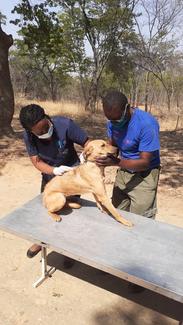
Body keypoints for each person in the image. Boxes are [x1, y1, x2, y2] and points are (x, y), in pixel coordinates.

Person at [96, 90, 160, 292]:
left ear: (128, 107)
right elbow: (113, 146)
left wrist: (116, 161)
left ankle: (140, 274)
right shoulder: (113, 121)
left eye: (117, 118)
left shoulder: (147, 124)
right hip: (123, 170)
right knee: (116, 215)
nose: (114, 123)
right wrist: (102, 162)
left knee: (141, 224)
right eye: (110, 119)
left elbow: (144, 161)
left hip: (144, 174)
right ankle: (115, 261)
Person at [19, 104, 89, 268]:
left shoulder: (65, 125)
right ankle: (41, 241)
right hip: (50, 179)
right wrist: (54, 170)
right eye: (39, 132)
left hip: (72, 177)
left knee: (69, 213)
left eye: (45, 128)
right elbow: (36, 161)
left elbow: (87, 142)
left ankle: (67, 250)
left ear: (47, 118)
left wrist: (86, 155)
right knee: (48, 210)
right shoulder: (28, 136)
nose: (44, 133)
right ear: (30, 131)